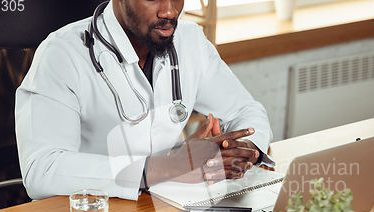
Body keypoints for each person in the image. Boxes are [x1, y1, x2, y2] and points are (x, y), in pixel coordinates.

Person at [15, 0, 274, 201]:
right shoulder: (62, 54)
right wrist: (172, 167)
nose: (170, 11)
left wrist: (239, 151)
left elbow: (245, 110)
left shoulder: (190, 40)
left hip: (163, 210)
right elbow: (42, 169)